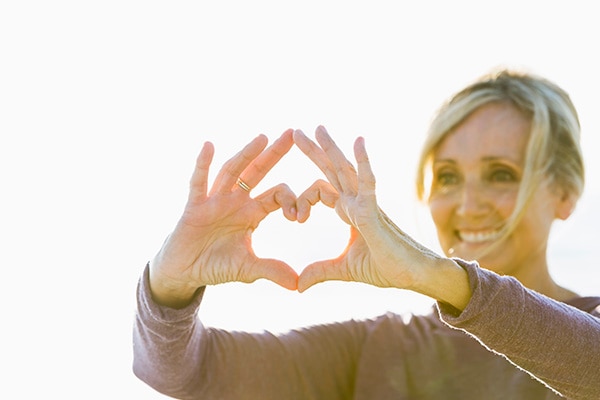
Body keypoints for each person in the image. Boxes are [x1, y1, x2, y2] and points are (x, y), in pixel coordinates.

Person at [133, 69, 600, 399]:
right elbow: (182, 372)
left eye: (501, 174)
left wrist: (442, 279)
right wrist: (169, 285)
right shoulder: (376, 350)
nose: (467, 204)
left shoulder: (588, 331)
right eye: (448, 178)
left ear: (566, 193)